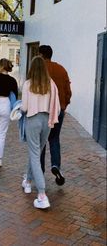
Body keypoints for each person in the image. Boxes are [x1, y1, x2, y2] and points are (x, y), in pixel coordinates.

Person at [21, 56, 60, 209]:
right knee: (36, 152)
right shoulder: (51, 84)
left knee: (35, 153)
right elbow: (56, 108)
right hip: (47, 121)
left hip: (33, 120)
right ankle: (28, 182)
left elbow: (24, 107)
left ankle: (42, 194)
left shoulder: (28, 84)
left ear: (32, 68)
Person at [39, 45, 72, 186]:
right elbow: (68, 90)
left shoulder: (38, 70)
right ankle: (55, 166)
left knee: (41, 140)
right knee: (54, 138)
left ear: (41, 55)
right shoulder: (61, 69)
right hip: (58, 109)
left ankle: (39, 170)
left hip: (42, 109)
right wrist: (64, 104)